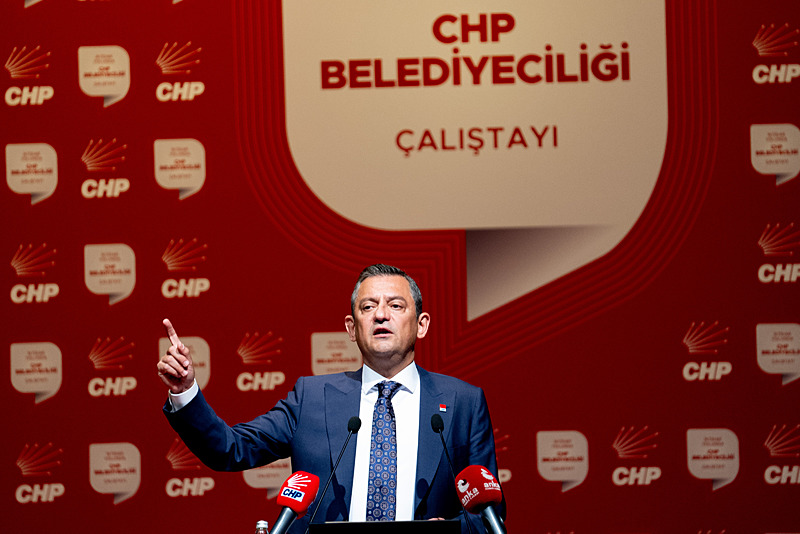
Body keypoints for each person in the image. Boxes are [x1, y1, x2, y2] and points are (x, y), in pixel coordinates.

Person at [158, 264, 503, 533]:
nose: (381, 314)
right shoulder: (312, 398)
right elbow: (230, 449)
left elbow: (490, 515)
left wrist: (449, 531)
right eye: (368, 307)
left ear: (422, 324)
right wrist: (184, 390)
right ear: (352, 328)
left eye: (396, 305)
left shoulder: (463, 403)